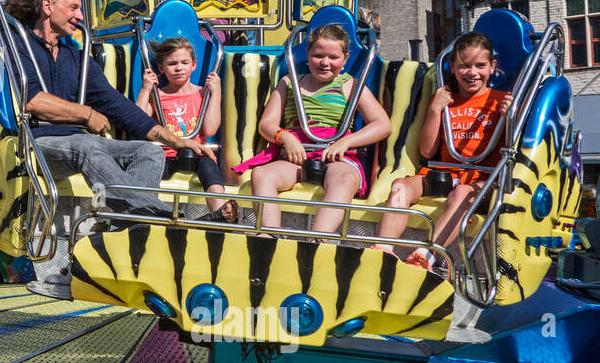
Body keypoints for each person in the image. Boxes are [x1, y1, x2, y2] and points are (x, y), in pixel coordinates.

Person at [1, 0, 213, 299]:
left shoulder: (76, 58)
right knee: (89, 147)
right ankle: (162, 218)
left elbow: (118, 106)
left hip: (81, 143)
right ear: (47, 6)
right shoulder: (20, 47)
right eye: (73, 7)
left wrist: (173, 140)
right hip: (39, 143)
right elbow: (32, 101)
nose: (80, 16)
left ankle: (104, 252)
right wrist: (85, 114)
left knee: (148, 152)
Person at [236, 23, 391, 237]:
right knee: (262, 175)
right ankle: (268, 235)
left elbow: (382, 124)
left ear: (345, 59)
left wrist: (345, 142)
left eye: (333, 57)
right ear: (308, 54)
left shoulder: (351, 86)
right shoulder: (289, 83)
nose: (325, 63)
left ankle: (318, 240)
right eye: (318, 55)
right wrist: (286, 137)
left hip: (336, 155)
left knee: (344, 180)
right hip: (297, 154)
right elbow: (267, 124)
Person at [375, 31, 511, 270]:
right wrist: (435, 111)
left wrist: (511, 117)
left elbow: (513, 151)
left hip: (482, 180)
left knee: (461, 195)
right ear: (453, 67)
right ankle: (384, 249)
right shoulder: (445, 101)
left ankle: (428, 255)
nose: (472, 73)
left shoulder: (501, 100)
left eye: (480, 66)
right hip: (446, 174)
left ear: (492, 67)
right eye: (464, 66)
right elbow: (427, 151)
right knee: (400, 187)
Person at [135, 37, 235, 221]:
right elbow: (137, 122)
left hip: (196, 152)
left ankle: (221, 212)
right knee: (149, 169)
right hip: (164, 155)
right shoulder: (158, 96)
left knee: (209, 167)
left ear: (194, 65)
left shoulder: (202, 93)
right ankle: (146, 214)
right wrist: (145, 89)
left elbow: (210, 129)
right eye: (172, 63)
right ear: (161, 67)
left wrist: (216, 92)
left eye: (184, 62)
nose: (179, 68)